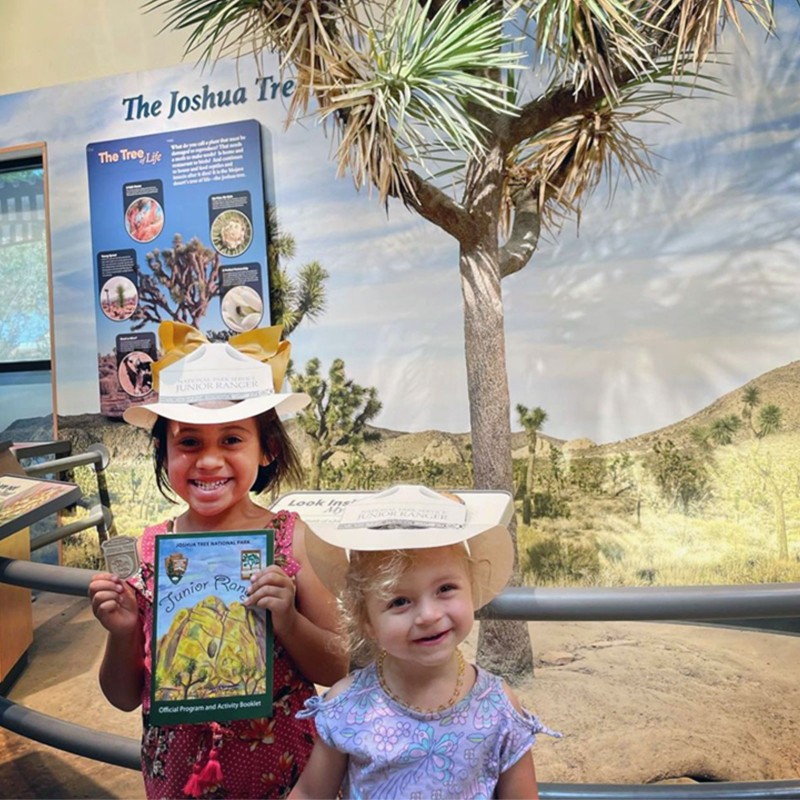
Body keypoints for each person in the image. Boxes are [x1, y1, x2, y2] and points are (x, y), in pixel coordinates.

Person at [88, 321, 348, 799]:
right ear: (164, 453)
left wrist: (287, 618)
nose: (208, 461)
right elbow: (123, 696)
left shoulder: (291, 539)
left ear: (267, 448)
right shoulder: (152, 549)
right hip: (178, 775)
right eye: (189, 442)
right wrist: (122, 631)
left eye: (231, 439)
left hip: (286, 773)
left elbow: (336, 668)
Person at [288, 484, 558, 799]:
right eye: (399, 601)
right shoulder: (348, 705)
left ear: (472, 587)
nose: (428, 615)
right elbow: (309, 793)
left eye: (445, 589)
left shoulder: (497, 706)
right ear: (366, 620)